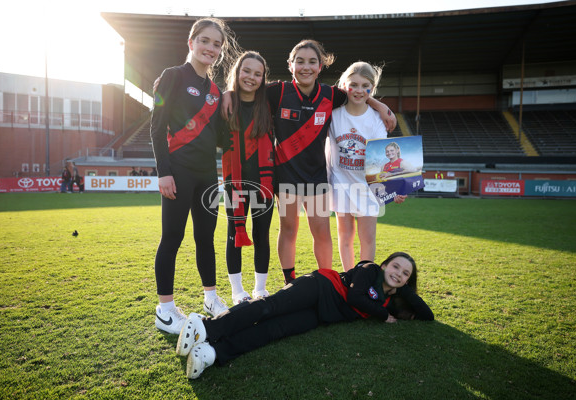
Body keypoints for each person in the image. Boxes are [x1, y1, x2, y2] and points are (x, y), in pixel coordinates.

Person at [223, 39, 397, 284]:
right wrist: (228, 93)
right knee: (289, 231)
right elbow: (249, 89)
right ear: (290, 65)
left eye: (312, 62)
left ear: (320, 67)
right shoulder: (278, 92)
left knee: (322, 234)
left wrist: (378, 104)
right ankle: (289, 281)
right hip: (285, 179)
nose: (306, 66)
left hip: (316, 180)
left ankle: (327, 281)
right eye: (300, 61)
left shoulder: (330, 95)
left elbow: (357, 93)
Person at [175, 251, 433, 379]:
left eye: (405, 273)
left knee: (274, 330)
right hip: (319, 286)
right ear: (385, 264)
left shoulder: (390, 299)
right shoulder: (370, 269)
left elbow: (427, 316)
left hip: (322, 315)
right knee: (268, 307)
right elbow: (355, 298)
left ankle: (214, 352)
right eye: (396, 266)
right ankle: (206, 327)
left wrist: (406, 290)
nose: (398, 273)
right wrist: (383, 315)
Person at [150, 17, 241, 334]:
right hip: (177, 172)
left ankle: (210, 299)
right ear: (191, 42)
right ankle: (165, 310)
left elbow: (219, 139)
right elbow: (156, 127)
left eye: (217, 44)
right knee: (171, 239)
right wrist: (164, 173)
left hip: (207, 176)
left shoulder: (215, 91)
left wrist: (234, 108)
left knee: (206, 239)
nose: (211, 48)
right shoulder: (173, 76)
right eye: (205, 40)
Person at [326, 62, 407, 272]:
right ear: (344, 84)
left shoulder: (376, 120)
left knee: (367, 239)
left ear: (372, 89)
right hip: (341, 184)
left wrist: (394, 188)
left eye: (366, 86)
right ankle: (347, 277)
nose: (359, 90)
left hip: (368, 188)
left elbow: (381, 157)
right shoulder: (333, 114)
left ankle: (361, 281)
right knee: (345, 237)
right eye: (354, 84)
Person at [220, 51, 274, 304]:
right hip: (234, 182)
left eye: (257, 73)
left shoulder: (270, 102)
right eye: (247, 71)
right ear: (237, 72)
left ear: (263, 78)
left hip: (265, 183)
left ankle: (260, 289)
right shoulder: (225, 104)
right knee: (234, 234)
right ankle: (237, 291)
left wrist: (377, 103)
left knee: (262, 234)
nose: (251, 77)